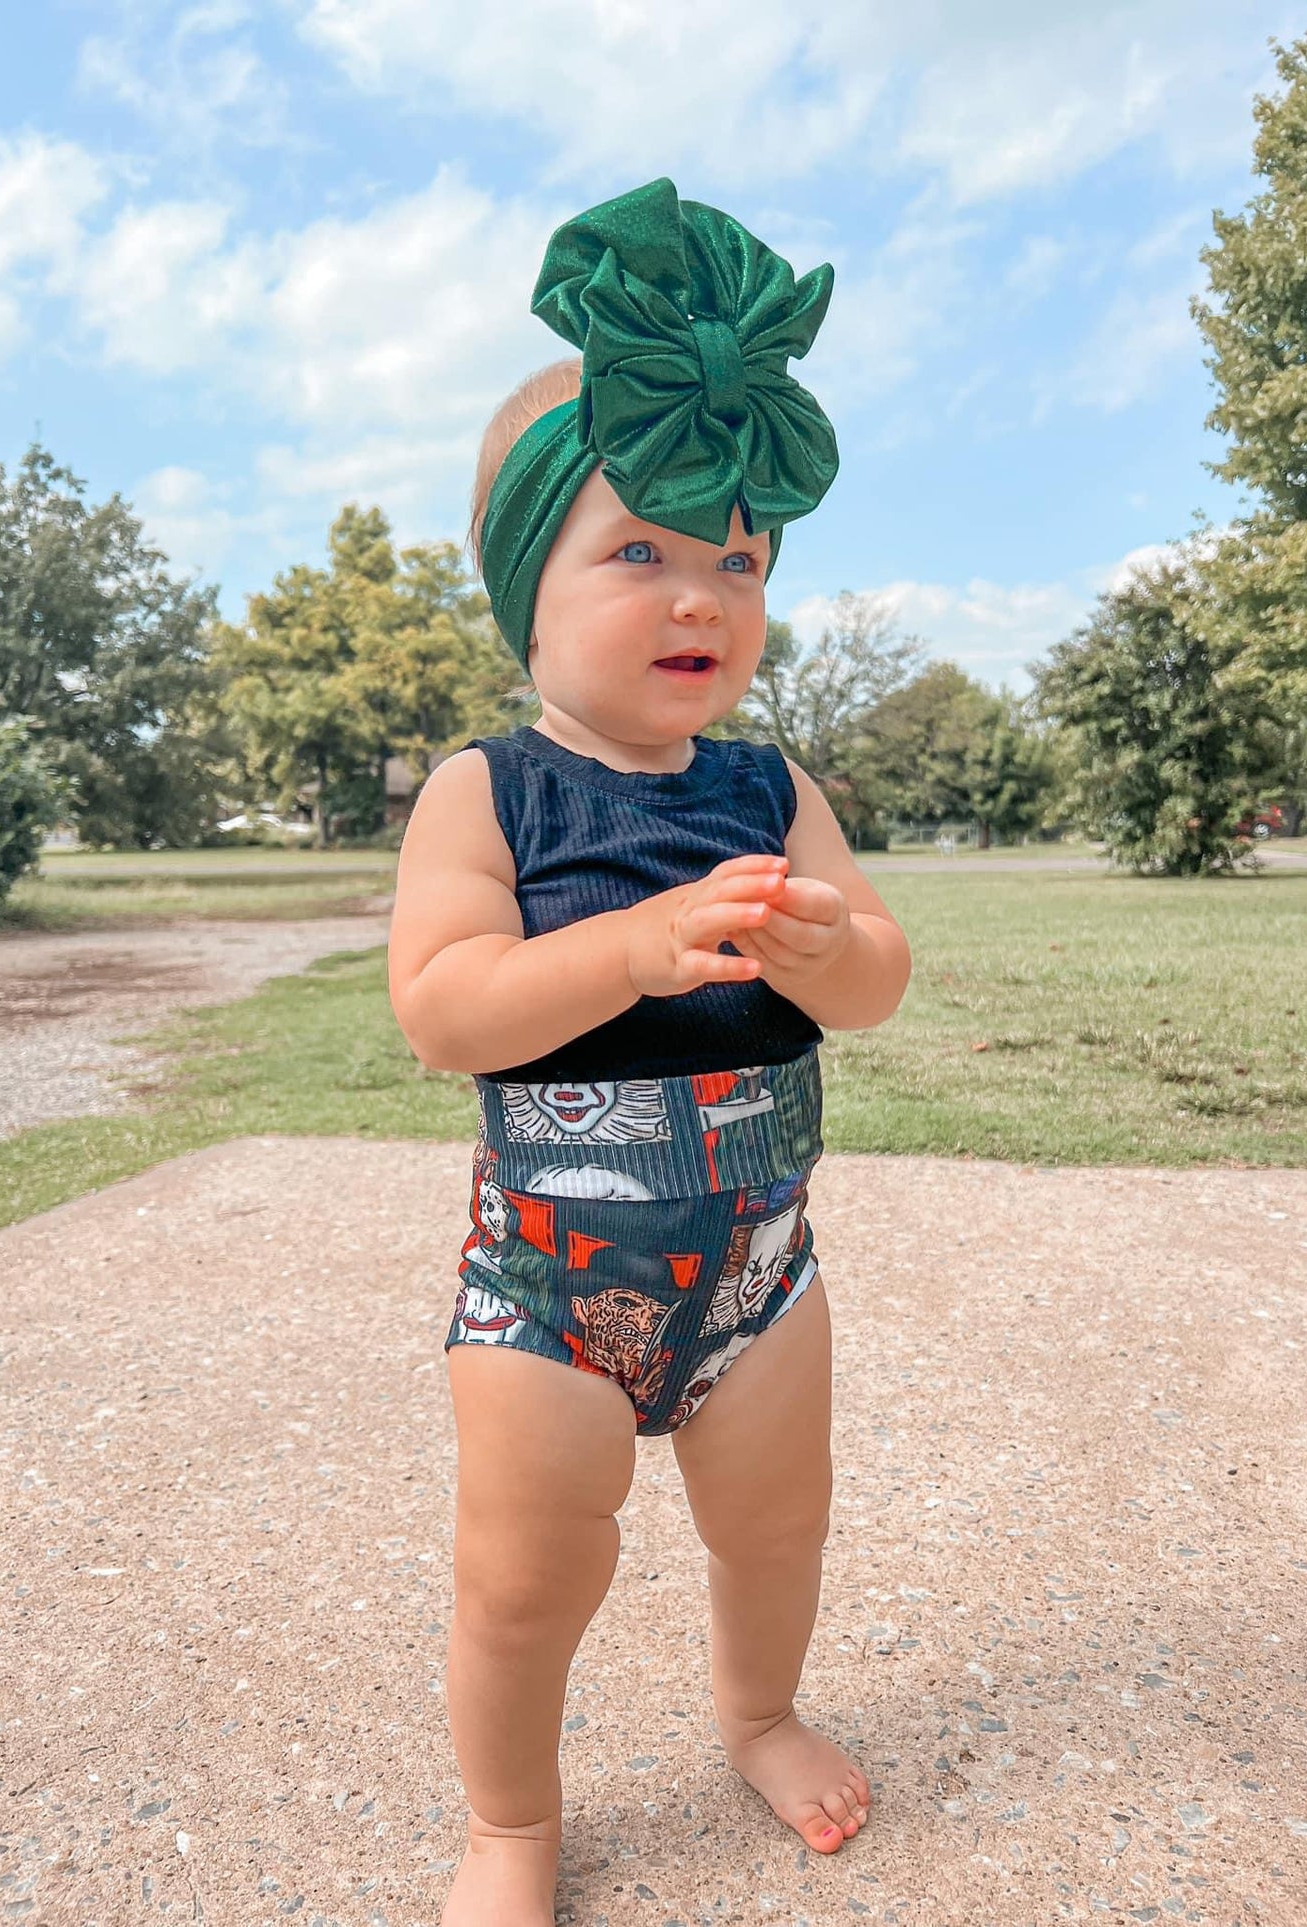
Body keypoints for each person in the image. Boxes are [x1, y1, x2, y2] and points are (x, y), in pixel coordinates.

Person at [388, 178, 913, 1927]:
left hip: (758, 1273)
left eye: (736, 561)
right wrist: (615, 949)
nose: (700, 595)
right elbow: (441, 1007)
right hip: (551, 1284)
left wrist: (836, 946)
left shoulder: (772, 790)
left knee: (778, 1529)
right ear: (522, 586)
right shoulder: (491, 793)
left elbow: (879, 981)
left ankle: (756, 1713)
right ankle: (513, 1826)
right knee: (526, 1579)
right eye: (641, 553)